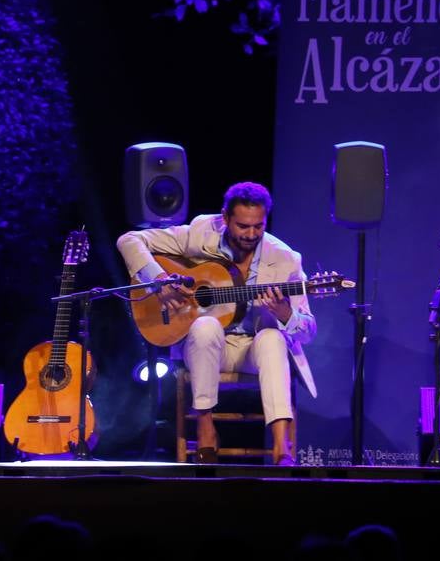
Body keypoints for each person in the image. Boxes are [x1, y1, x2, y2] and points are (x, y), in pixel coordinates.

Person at [117, 181, 315, 465]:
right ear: (225, 219)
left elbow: (308, 331)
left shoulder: (285, 259)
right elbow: (128, 240)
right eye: (242, 226)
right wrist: (159, 280)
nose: (251, 234)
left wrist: (286, 314)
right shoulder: (200, 233)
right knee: (205, 325)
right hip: (207, 348)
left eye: (258, 226)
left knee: (273, 338)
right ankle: (206, 428)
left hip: (253, 351)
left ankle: (282, 447)